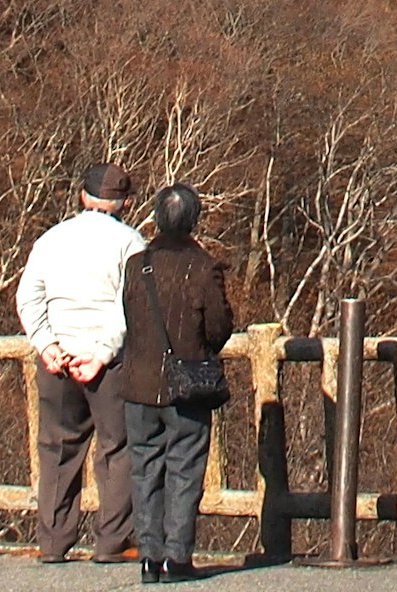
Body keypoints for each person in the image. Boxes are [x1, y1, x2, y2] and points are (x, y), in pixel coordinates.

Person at [14, 163, 145, 565]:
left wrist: (46, 344)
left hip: (58, 356)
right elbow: (132, 306)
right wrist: (102, 353)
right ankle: (113, 541)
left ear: (83, 196)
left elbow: (29, 297)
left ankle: (53, 542)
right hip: (108, 361)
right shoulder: (131, 242)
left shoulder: (51, 239)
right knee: (117, 447)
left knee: (57, 446)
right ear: (125, 202)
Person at [109, 183, 236, 584]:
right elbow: (218, 328)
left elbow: (130, 318)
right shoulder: (203, 267)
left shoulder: (137, 265)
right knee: (185, 467)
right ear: (194, 219)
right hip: (187, 384)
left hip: (139, 382)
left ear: (157, 218)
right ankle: (177, 557)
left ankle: (149, 556)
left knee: (145, 468)